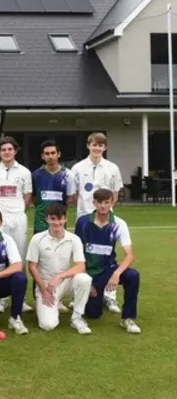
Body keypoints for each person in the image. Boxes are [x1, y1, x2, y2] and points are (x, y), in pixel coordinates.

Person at [74, 189, 141, 333]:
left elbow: (129, 255)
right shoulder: (83, 222)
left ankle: (128, 318)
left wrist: (116, 274)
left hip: (109, 269)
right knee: (93, 315)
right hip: (91, 272)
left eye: (106, 202)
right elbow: (77, 253)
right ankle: (98, 297)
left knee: (133, 275)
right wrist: (86, 280)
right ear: (94, 203)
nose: (103, 206)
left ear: (112, 202)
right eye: (99, 202)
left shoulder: (119, 223)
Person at [71, 132, 124, 314]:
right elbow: (75, 194)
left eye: (100, 145)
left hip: (105, 219)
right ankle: (79, 294)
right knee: (82, 256)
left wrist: (104, 212)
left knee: (106, 255)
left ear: (105, 148)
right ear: (88, 145)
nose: (97, 148)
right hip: (84, 218)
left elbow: (115, 193)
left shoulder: (112, 168)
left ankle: (110, 297)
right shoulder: (77, 168)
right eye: (94, 144)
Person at [26, 204, 92, 335]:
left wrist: (59, 276)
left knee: (84, 278)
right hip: (45, 286)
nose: (57, 223)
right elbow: (32, 267)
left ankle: (77, 317)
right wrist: (44, 291)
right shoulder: (37, 239)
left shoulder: (74, 239)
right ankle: (54, 304)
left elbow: (81, 266)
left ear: (66, 219)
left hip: (65, 282)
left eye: (60, 219)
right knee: (47, 325)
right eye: (53, 219)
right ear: (47, 219)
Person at [0, 136, 32, 314]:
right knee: (0, 256)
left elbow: (27, 195)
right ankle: (0, 300)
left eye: (9, 149)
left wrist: (18, 210)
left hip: (18, 218)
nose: (6, 152)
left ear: (15, 151)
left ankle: (21, 298)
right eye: (3, 149)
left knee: (19, 256)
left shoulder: (25, 172)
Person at [32, 140, 77, 234]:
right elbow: (34, 198)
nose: (50, 156)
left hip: (59, 221)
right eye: (47, 154)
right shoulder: (36, 175)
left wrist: (59, 212)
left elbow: (69, 199)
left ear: (59, 154)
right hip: (40, 223)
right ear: (42, 156)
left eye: (53, 153)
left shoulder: (68, 174)